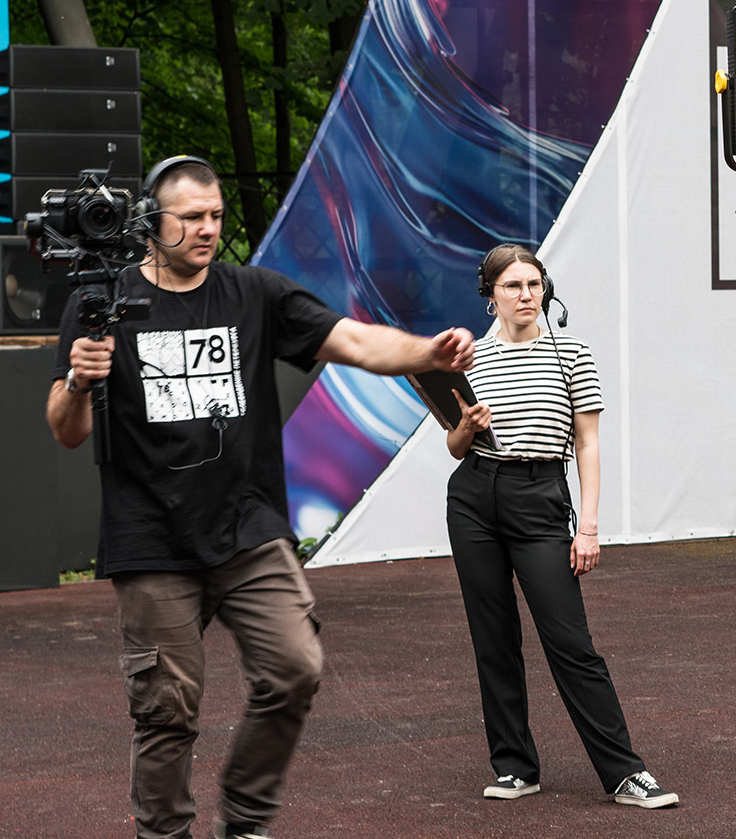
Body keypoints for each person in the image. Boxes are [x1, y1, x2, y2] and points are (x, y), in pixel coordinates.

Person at [46, 156, 477, 839]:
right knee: (166, 712)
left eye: (216, 215)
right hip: (152, 540)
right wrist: (77, 381)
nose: (208, 228)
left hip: (248, 528)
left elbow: (353, 340)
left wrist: (428, 353)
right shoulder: (102, 300)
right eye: (192, 217)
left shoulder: (254, 293)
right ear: (152, 220)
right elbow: (67, 430)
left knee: (295, 667)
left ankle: (244, 821)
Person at [443, 244, 677, 810]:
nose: (526, 295)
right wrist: (466, 426)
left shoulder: (572, 352)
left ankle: (625, 773)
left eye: (534, 284)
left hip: (540, 496)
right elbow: (454, 445)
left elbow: (588, 444)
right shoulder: (471, 359)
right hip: (473, 497)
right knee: (493, 639)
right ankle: (515, 768)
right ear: (491, 295)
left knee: (571, 643)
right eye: (513, 286)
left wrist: (588, 527)